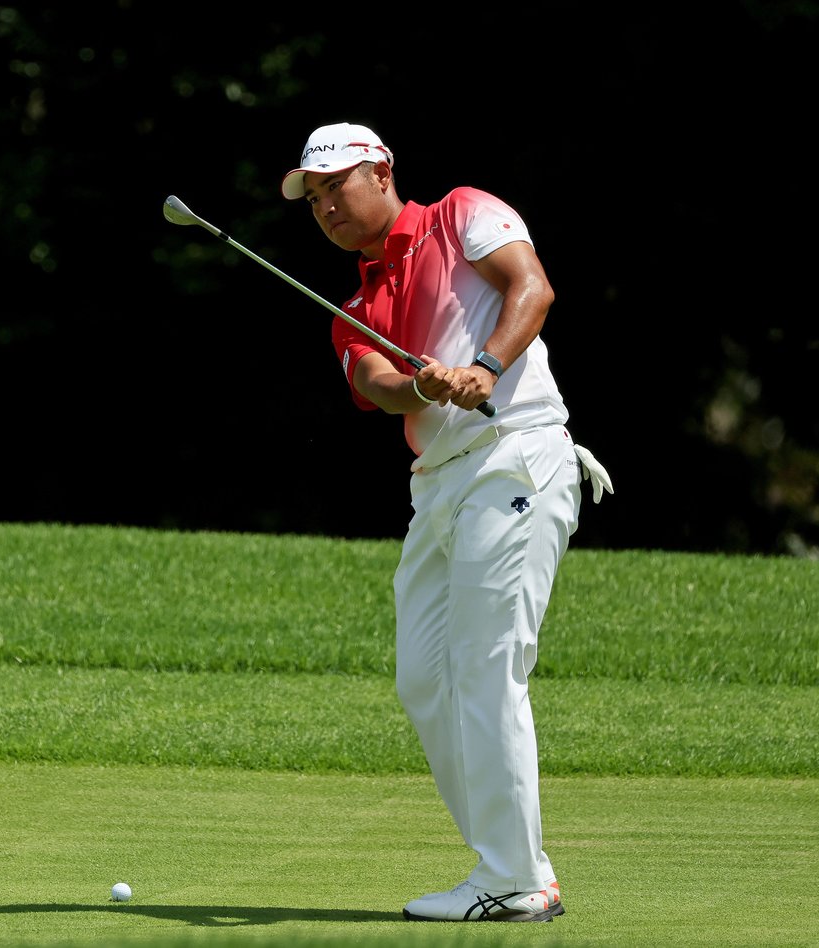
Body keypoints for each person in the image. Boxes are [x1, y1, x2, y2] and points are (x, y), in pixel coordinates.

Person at [278, 122, 612, 922]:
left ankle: (513, 880)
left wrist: (483, 366)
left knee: (487, 662)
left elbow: (532, 288)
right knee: (425, 676)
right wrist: (425, 388)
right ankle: (513, 864)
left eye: (337, 185)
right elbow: (380, 383)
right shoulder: (353, 304)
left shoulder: (460, 214)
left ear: (382, 170)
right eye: (314, 197)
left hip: (515, 453)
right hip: (438, 489)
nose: (325, 206)